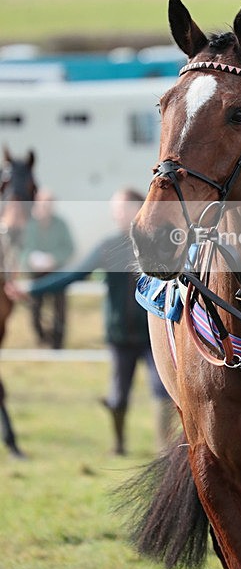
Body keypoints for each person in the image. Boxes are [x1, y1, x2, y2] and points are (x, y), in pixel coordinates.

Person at [20, 189, 175, 456]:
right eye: (115, 209)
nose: (116, 214)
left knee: (163, 390)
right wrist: (33, 290)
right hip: (119, 335)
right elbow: (73, 275)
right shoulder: (108, 246)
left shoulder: (160, 244)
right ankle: (119, 445)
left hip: (152, 336)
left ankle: (165, 451)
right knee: (118, 396)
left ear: (137, 208)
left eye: (121, 208)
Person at [20, 189, 75, 349]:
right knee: (35, 308)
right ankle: (41, 337)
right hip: (35, 274)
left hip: (56, 273)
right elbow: (21, 250)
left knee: (59, 308)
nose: (46, 206)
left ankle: (58, 342)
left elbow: (69, 248)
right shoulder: (29, 225)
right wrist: (31, 259)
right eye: (43, 203)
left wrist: (54, 258)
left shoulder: (61, 224)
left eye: (49, 203)